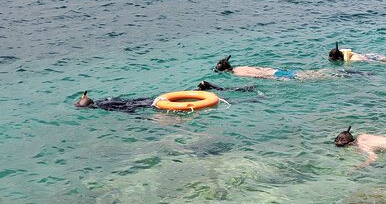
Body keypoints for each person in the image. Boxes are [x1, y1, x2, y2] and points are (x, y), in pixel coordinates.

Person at [74, 83, 257, 113]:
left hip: (152, 105)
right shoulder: (106, 99)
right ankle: (243, 94)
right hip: (152, 99)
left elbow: (128, 110)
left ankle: (245, 99)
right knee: (204, 99)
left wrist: (145, 119)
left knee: (196, 104)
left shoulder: (105, 107)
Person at [214, 55, 368, 80]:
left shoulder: (237, 74)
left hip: (278, 76)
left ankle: (347, 74)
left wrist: (277, 80)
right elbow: (261, 70)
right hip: (276, 70)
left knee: (317, 77)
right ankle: (346, 72)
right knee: (314, 74)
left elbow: (258, 77)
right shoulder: (241, 66)